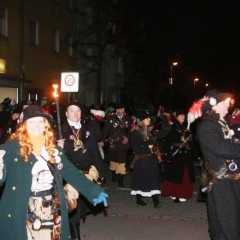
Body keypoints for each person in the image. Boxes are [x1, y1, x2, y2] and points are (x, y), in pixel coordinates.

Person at [0, 104, 108, 240]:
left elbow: (71, 172)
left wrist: (93, 191)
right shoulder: (11, 148)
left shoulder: (52, 149)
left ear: (45, 125)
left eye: (40, 121)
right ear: (23, 125)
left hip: (49, 210)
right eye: (31, 121)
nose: (36, 125)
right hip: (22, 209)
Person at [58, 101, 105, 240]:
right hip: (68, 174)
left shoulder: (85, 131)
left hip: (85, 173)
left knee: (81, 205)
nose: (75, 114)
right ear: (66, 113)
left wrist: (101, 173)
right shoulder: (59, 131)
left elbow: (94, 153)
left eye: (78, 111)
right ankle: (75, 236)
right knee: (73, 205)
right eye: (72, 111)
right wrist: (57, 146)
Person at [197, 90, 240, 240]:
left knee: (231, 220)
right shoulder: (207, 126)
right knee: (227, 224)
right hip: (222, 182)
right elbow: (223, 148)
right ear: (215, 106)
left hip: (231, 180)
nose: (229, 105)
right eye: (225, 102)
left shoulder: (222, 123)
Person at [161, 109, 196, 203]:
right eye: (181, 115)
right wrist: (167, 155)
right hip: (176, 155)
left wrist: (198, 156)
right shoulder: (172, 127)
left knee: (186, 176)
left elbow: (192, 142)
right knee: (174, 176)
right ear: (176, 117)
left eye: (184, 116)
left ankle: (182, 194)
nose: (183, 117)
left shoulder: (187, 127)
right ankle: (173, 193)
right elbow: (167, 141)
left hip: (186, 155)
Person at [130, 110, 162, 208]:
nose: (149, 120)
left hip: (152, 159)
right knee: (141, 179)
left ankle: (156, 200)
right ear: (142, 121)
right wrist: (147, 147)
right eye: (147, 118)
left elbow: (158, 140)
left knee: (154, 179)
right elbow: (134, 146)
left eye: (149, 118)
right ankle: (139, 198)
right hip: (142, 159)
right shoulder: (136, 132)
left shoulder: (152, 131)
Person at [99, 103, 131, 188]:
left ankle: (120, 181)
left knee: (122, 162)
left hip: (123, 143)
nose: (123, 111)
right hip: (113, 143)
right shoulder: (111, 118)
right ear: (117, 110)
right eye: (121, 109)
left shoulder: (127, 118)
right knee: (113, 160)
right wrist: (102, 140)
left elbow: (129, 131)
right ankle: (114, 175)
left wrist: (127, 138)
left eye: (123, 109)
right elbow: (105, 130)